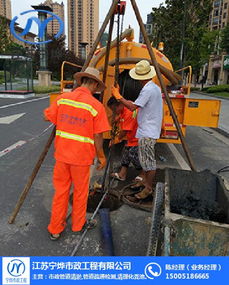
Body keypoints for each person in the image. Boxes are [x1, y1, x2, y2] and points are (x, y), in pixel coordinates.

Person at [44, 67, 110, 240]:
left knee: (61, 192)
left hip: (62, 156)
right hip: (81, 159)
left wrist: (66, 118)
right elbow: (98, 135)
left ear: (82, 81)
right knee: (80, 193)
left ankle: (55, 229)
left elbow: (47, 116)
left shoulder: (63, 99)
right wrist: (101, 156)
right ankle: (77, 226)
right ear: (95, 84)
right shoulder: (96, 106)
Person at [111, 60, 163, 199]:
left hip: (147, 131)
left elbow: (132, 107)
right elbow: (141, 105)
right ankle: (145, 182)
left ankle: (148, 188)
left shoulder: (148, 89)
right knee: (145, 161)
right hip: (149, 129)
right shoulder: (155, 88)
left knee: (148, 163)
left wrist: (118, 96)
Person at [107, 97, 144, 184]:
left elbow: (125, 130)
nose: (114, 112)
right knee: (125, 154)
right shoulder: (126, 106)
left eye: (114, 109)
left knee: (134, 156)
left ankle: (143, 174)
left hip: (138, 138)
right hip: (132, 137)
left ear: (120, 105)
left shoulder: (129, 112)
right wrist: (118, 118)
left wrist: (116, 139)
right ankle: (122, 174)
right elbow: (122, 118)